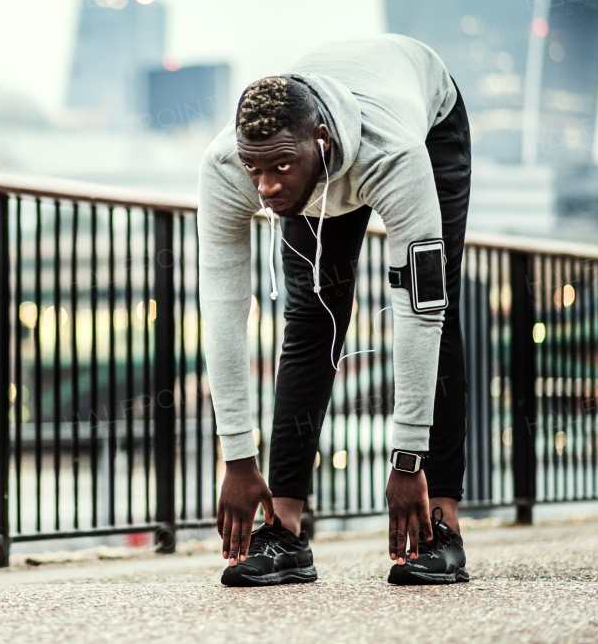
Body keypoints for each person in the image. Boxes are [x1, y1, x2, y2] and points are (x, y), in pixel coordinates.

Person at [198, 34, 472, 586]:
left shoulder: (394, 153)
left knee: (439, 312)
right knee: (311, 318)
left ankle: (442, 528)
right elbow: (224, 307)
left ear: (320, 143)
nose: (269, 187)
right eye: (257, 171)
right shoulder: (231, 162)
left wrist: (407, 461)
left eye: (280, 167)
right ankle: (286, 532)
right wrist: (237, 458)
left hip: (426, 117)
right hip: (325, 132)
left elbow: (420, 307)